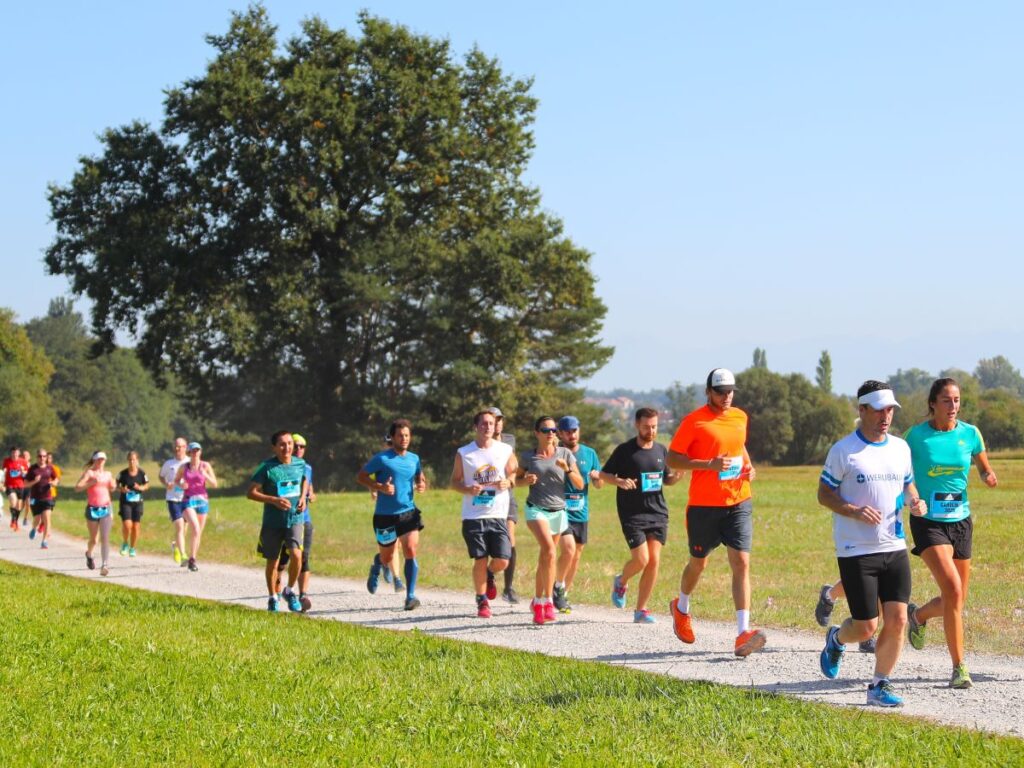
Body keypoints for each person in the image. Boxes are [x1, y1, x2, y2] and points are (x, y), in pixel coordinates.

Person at [816, 380, 928, 708]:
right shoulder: (843, 451)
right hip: (856, 550)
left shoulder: (900, 448)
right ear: (861, 410)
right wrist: (852, 510)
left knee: (898, 620)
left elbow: (908, 485)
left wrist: (916, 502)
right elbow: (824, 494)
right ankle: (837, 639)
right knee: (866, 627)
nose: (886, 415)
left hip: (894, 546)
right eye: (878, 409)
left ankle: (879, 684)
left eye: (890, 409)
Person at [903, 377, 998, 689]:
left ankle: (917, 617)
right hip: (928, 521)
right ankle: (959, 667)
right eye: (946, 400)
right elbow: (903, 475)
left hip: (961, 521)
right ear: (933, 403)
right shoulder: (916, 437)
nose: (953, 406)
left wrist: (987, 474)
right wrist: (913, 497)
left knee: (954, 599)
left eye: (956, 400)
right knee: (954, 592)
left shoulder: (970, 434)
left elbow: (982, 465)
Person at [667, 368, 767, 657]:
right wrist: (708, 465)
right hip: (703, 506)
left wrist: (748, 465)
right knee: (698, 564)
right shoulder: (694, 421)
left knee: (742, 564)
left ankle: (742, 633)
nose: (727, 396)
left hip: (738, 501)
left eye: (730, 391)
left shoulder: (739, 416)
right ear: (708, 392)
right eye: (721, 391)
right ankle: (681, 607)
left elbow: (738, 445)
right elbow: (673, 458)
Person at [600, 407, 683, 624]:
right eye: (646, 426)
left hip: (657, 512)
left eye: (654, 426)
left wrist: (676, 477)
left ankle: (641, 610)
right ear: (637, 425)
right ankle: (621, 581)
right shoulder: (624, 451)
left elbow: (666, 479)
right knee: (642, 559)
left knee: (653, 561)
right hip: (632, 513)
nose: (651, 430)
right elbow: (603, 474)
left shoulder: (661, 451)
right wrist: (618, 481)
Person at [517, 415, 583, 625]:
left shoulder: (564, 454)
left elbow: (580, 484)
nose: (551, 434)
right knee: (550, 551)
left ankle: (539, 601)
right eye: (546, 430)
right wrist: (524, 480)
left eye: (554, 430)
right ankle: (544, 601)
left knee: (546, 558)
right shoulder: (528, 457)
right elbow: (515, 481)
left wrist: (568, 469)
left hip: (558, 511)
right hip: (536, 510)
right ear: (537, 433)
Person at [450, 409, 517, 618]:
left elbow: (514, 471)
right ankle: (482, 601)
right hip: (473, 515)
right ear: (475, 427)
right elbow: (454, 481)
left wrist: (509, 481)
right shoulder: (464, 452)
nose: (487, 427)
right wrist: (468, 489)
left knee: (503, 560)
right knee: (479, 558)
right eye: (483, 423)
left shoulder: (505, 449)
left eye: (491, 423)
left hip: (498, 513)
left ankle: (489, 574)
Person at [357, 419, 428, 611]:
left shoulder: (414, 458)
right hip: (385, 515)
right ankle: (377, 564)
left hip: (408, 512)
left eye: (406, 435)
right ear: (393, 437)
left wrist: (422, 484)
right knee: (388, 556)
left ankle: (410, 596)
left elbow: (420, 477)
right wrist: (379, 486)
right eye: (400, 435)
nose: (404, 439)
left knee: (411, 550)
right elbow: (361, 476)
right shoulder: (382, 459)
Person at [248, 431, 308, 612]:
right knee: (273, 562)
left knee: (297, 554)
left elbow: (304, 480)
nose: (287, 447)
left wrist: (304, 497)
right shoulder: (266, 467)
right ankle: (272, 597)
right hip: (273, 522)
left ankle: (289, 591)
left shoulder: (300, 463)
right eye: (282, 444)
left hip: (295, 519)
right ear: (274, 447)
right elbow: (251, 492)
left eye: (290, 443)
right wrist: (273, 500)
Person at [552, 415, 604, 614]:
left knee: (576, 555)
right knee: (567, 550)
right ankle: (555, 587)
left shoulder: (589, 454)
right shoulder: (556, 453)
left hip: (581, 511)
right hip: (560, 510)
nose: (571, 435)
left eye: (574, 431)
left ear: (579, 431)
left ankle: (562, 592)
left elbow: (599, 484)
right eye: (566, 431)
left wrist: (598, 478)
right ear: (560, 433)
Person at [275, 434, 317, 612]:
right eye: (296, 445)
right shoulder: (281, 466)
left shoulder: (307, 467)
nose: (298, 449)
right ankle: (275, 596)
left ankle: (302, 595)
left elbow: (309, 487)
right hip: (283, 519)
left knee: (303, 557)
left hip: (303, 519)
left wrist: (312, 495)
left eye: (302, 446)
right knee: (282, 562)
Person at [491, 407, 520, 603]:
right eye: (494, 420)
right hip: (488, 499)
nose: (497, 423)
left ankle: (508, 588)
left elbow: (514, 466)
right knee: (491, 542)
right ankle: (488, 574)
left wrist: (511, 478)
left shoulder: (510, 440)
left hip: (507, 496)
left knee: (510, 539)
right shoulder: (480, 444)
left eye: (500, 419)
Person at [174, 442, 217, 571]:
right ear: (189, 452)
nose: (195, 453)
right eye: (192, 451)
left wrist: (206, 475)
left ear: (200, 452)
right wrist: (181, 485)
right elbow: (176, 480)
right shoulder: (184, 467)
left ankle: (192, 559)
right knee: (195, 528)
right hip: (188, 501)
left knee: (198, 533)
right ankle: (190, 558)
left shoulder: (206, 465)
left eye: (197, 450)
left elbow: (214, 484)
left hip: (202, 501)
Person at [74, 451, 118, 576]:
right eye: (98, 459)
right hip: (93, 508)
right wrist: (91, 483)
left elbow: (111, 488)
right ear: (94, 460)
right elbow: (77, 487)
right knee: (94, 539)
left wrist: (113, 486)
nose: (100, 462)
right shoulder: (89, 473)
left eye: (103, 459)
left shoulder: (108, 474)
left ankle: (105, 564)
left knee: (105, 537)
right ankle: (89, 553)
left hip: (106, 507)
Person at [160, 437, 190, 565]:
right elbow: (161, 477)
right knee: (179, 525)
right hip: (172, 499)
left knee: (184, 527)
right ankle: (183, 555)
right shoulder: (169, 463)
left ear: (185, 447)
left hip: (187, 498)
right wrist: (166, 483)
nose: (178, 448)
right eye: (176, 446)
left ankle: (176, 546)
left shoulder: (190, 462)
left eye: (181, 446)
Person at [116, 451, 150, 557]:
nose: (131, 462)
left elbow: (147, 485)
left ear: (137, 460)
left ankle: (132, 548)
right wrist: (121, 489)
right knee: (127, 525)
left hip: (137, 503)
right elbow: (115, 484)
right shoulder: (122, 473)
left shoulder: (142, 473)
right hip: (125, 502)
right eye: (130, 459)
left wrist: (140, 488)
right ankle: (125, 543)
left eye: (134, 459)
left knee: (136, 526)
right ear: (127, 460)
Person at [25, 449, 58, 548]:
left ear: (46, 457)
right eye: (40, 456)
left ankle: (44, 541)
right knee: (37, 519)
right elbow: (25, 484)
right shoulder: (32, 469)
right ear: (37, 457)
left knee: (47, 519)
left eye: (44, 456)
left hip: (47, 497)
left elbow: (56, 478)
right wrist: (34, 481)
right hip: (35, 498)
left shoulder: (50, 468)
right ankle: (34, 528)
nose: (42, 458)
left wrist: (54, 483)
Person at [4, 446, 29, 531]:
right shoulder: (6, 461)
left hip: (20, 486)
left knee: (19, 506)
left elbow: (27, 474)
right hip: (10, 485)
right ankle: (13, 520)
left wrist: (23, 472)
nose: (14, 454)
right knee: (13, 500)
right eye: (13, 453)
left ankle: (14, 521)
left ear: (19, 453)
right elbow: (3, 471)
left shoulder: (23, 462)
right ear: (11, 453)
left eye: (16, 453)